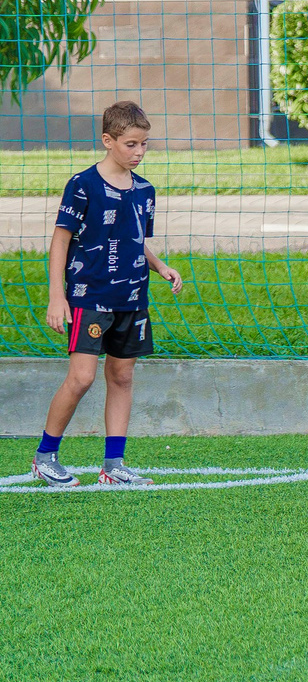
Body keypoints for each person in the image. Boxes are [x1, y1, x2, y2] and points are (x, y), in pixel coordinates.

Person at [32, 101, 184, 488]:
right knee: (82, 378)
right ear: (108, 140)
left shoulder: (145, 190)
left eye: (144, 144)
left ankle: (113, 465)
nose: (139, 152)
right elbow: (60, 241)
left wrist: (160, 266)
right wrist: (56, 296)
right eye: (131, 144)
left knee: (122, 376)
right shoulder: (83, 185)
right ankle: (45, 456)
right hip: (89, 296)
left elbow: (133, 239)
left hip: (132, 298)